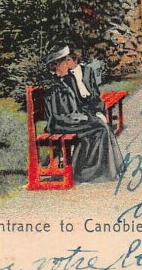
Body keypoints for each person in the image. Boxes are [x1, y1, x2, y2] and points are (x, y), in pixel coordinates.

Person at [43, 43, 123, 183]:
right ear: (57, 66)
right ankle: (91, 171)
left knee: (102, 126)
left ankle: (105, 169)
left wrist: (85, 115)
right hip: (60, 124)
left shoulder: (68, 79)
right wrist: (81, 118)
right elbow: (58, 115)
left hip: (71, 120)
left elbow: (76, 104)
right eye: (64, 62)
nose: (67, 65)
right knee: (101, 128)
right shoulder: (55, 86)